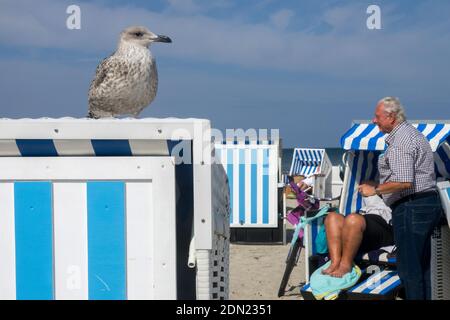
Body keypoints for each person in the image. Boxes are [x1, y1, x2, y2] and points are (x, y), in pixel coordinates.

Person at [359, 97, 443, 300]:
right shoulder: (413, 134)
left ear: (391, 117)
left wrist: (375, 189)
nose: (374, 121)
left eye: (377, 116)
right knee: (422, 268)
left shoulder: (400, 140)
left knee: (409, 270)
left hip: (412, 206)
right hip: (425, 203)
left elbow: (405, 181)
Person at [322, 190, 394, 278]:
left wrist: (376, 189)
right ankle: (335, 262)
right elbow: (364, 186)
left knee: (354, 220)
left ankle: (345, 264)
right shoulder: (373, 181)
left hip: (385, 225)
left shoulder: (399, 183)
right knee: (332, 217)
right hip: (364, 219)